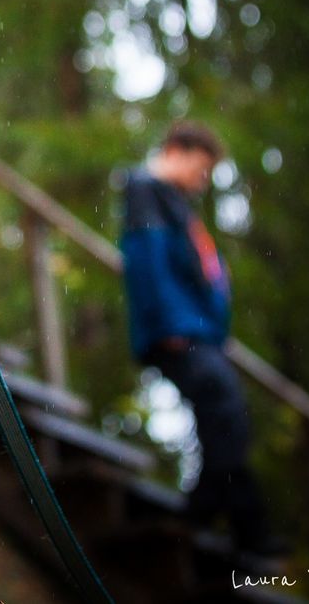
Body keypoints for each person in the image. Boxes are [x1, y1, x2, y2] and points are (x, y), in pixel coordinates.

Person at [121, 121, 283, 557]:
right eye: (202, 167)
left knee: (225, 419)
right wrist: (171, 326)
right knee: (226, 413)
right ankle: (235, 525)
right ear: (177, 150)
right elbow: (146, 263)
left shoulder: (169, 199)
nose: (203, 179)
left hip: (198, 333)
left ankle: (203, 515)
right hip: (180, 333)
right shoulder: (145, 190)